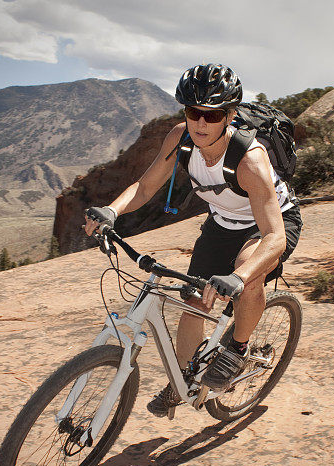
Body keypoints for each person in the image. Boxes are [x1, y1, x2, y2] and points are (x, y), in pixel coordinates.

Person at [84, 63, 302, 417]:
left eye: (212, 115)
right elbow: (146, 186)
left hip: (268, 225)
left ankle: (238, 350)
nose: (200, 123)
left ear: (230, 116)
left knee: (247, 275)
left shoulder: (249, 161)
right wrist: (112, 210)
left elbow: (274, 238)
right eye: (192, 112)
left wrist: (240, 277)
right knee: (193, 303)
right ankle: (182, 381)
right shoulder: (180, 137)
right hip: (222, 223)